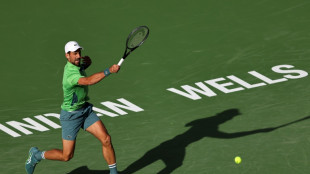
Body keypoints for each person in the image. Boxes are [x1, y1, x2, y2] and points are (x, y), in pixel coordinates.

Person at [25, 41, 120, 174]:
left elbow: (83, 65)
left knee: (106, 139)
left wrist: (87, 63)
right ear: (67, 56)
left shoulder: (77, 63)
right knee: (66, 156)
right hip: (71, 116)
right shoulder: (70, 74)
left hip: (85, 110)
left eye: (79, 52)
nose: (78, 56)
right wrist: (108, 71)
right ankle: (36, 155)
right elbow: (88, 81)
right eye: (74, 53)